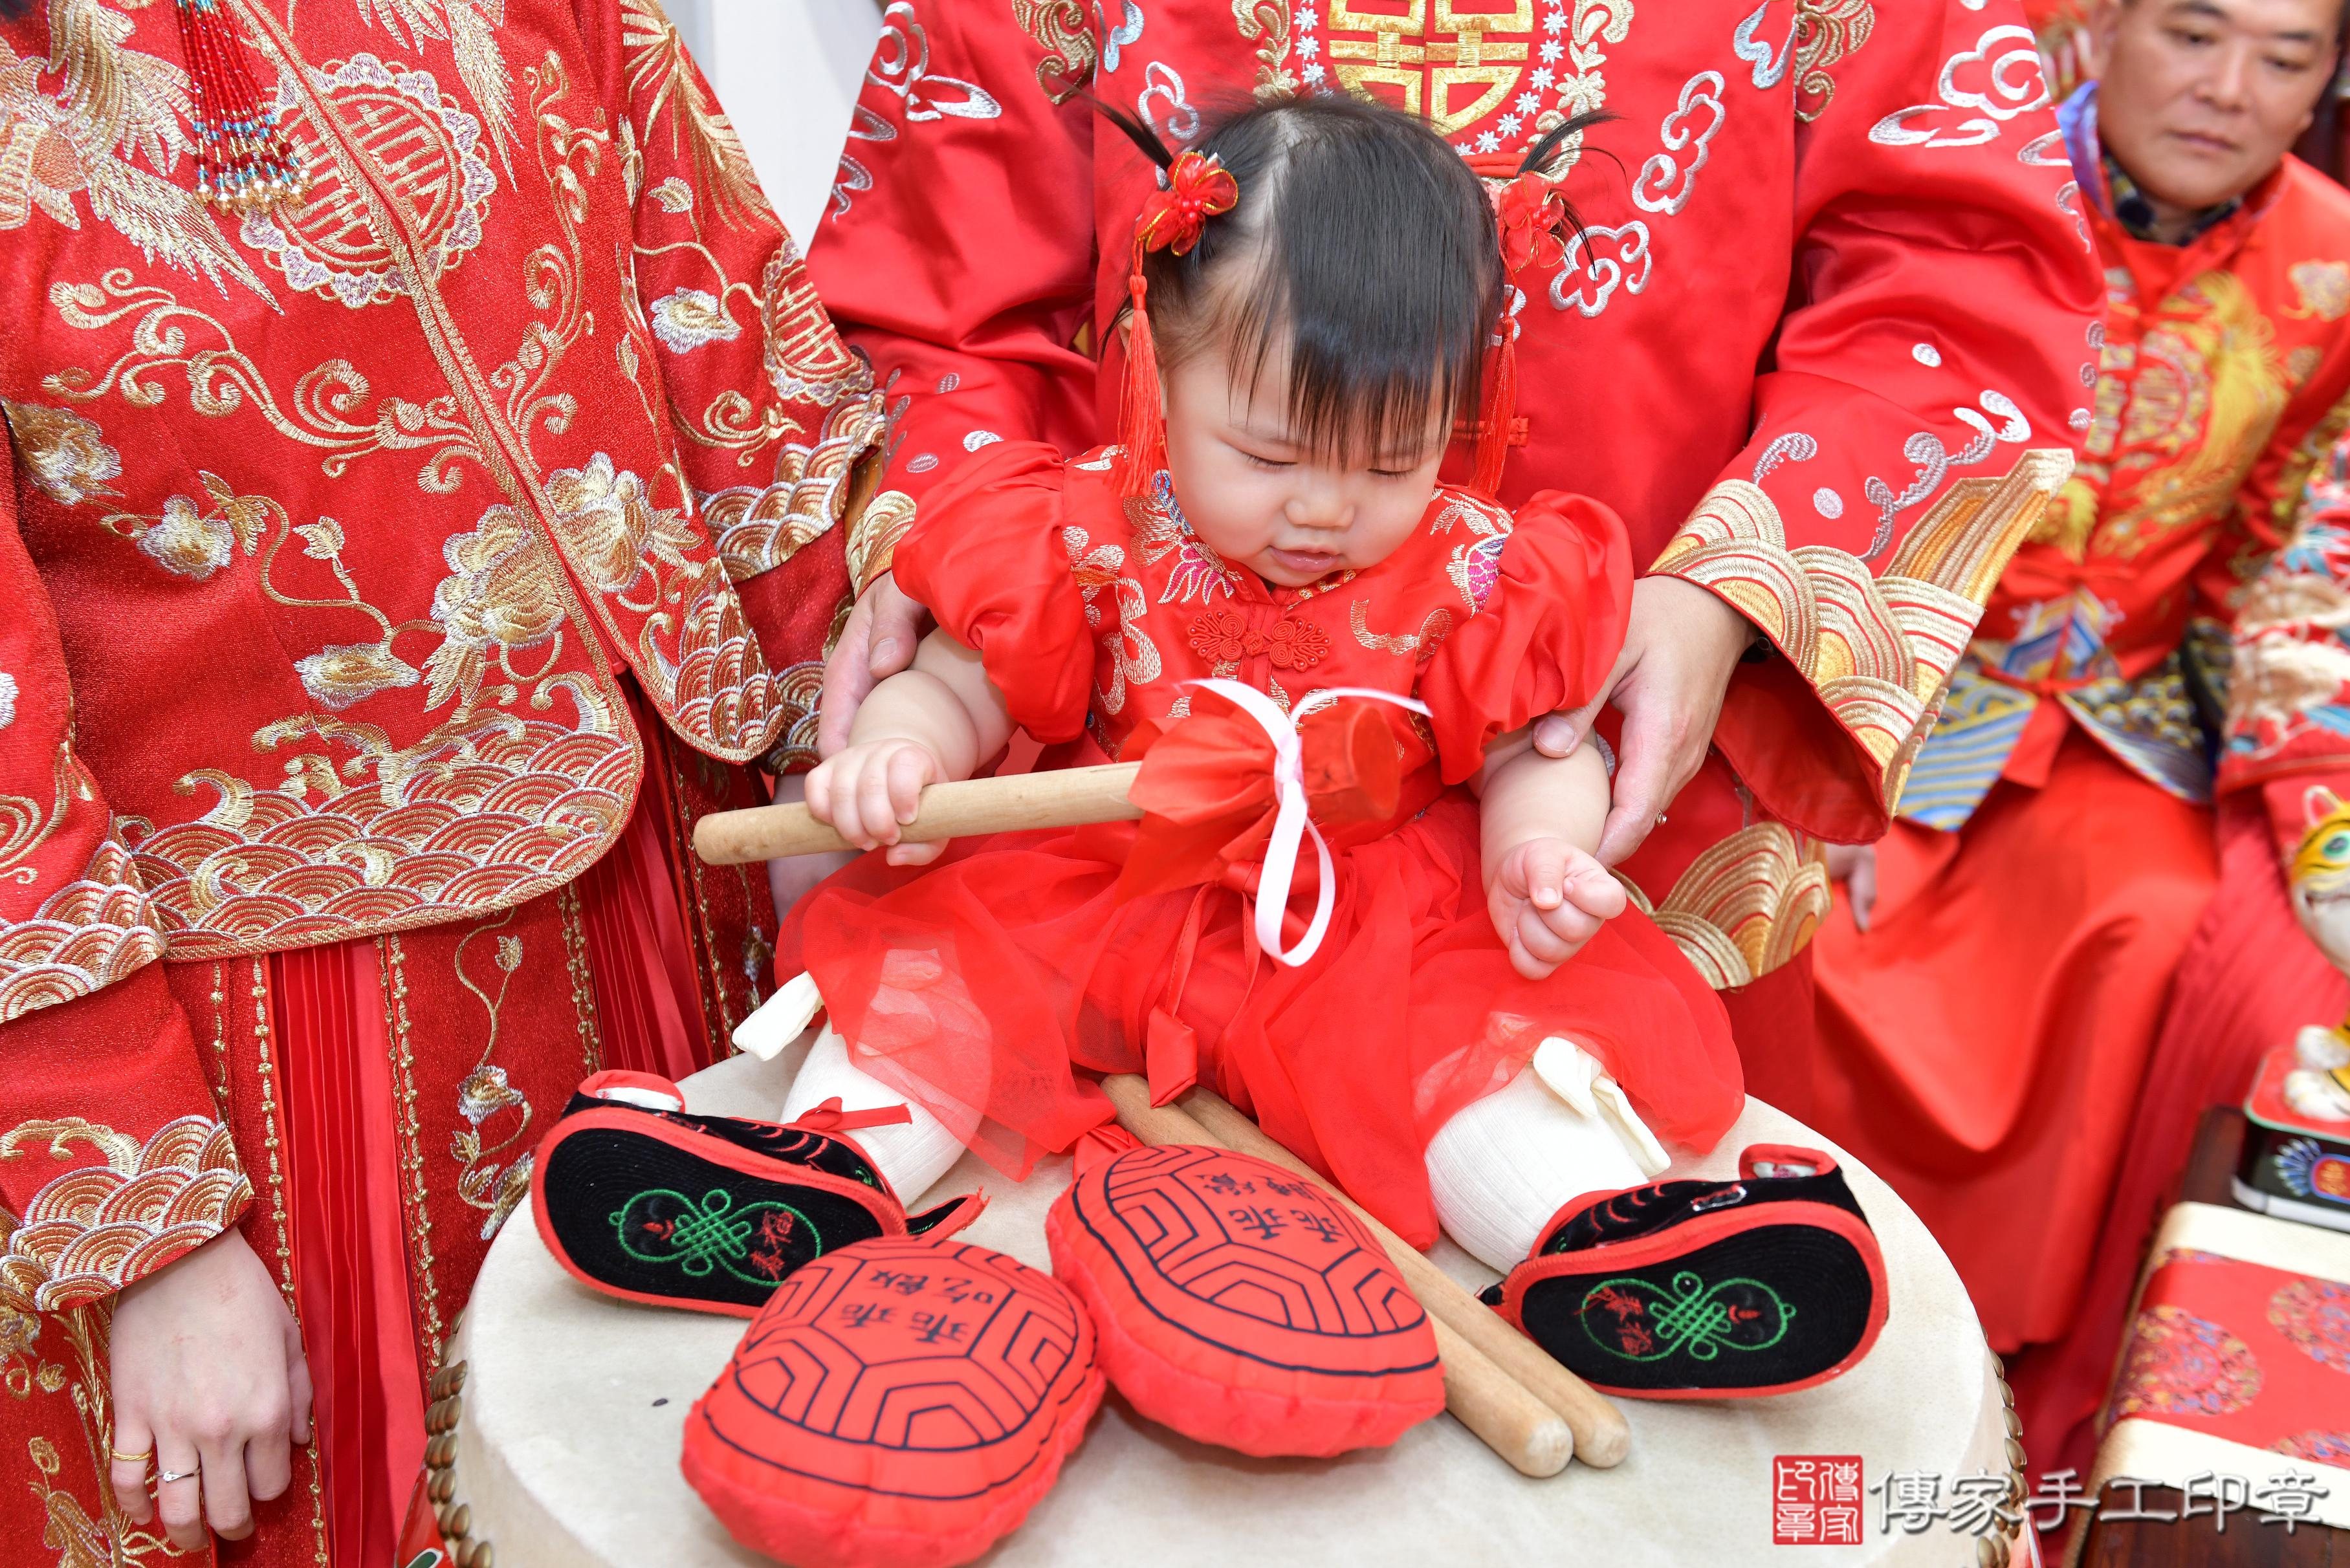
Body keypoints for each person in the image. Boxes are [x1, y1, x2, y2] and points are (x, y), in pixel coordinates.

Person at [802, 0, 2101, 1115]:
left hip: (1620, 754)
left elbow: (1955, 287)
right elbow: (943, 288)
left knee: (1586, 1222)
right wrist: (960, 561)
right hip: (1118, 788)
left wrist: (1733, 592)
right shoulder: (1070, 553)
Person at [0, 0, 884, 1562]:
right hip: (268, 1062)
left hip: (675, 906)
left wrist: (901, 716)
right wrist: (146, 1221)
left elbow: (733, 348)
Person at [780, 95, 1744, 1287]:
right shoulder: (1079, 527)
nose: (1327, 510)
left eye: (1394, 462)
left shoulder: (1479, 564)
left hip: (1365, 919)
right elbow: (960, 680)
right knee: (940, 987)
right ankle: (809, 1175)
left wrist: (1535, 854)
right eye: (1270, 457)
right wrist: (902, 750)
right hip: (1104, 881)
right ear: (1155, 373)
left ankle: (1602, 1251)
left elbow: (1536, 748)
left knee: (1475, 1055)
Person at [1808, 0, 2350, 1482]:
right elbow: (1826, 473)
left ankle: (1999, 1380)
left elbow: (2281, 563)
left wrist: (2317, 808)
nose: (2228, 90)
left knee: (2151, 921)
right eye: (2191, 34)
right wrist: (1844, 733)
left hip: (2120, 725)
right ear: (2098, 29)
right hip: (1883, 688)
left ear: (2326, 82)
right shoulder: (1958, 194)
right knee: (1796, 924)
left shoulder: (2333, 271)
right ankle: (1809, 1330)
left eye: (2285, 57)